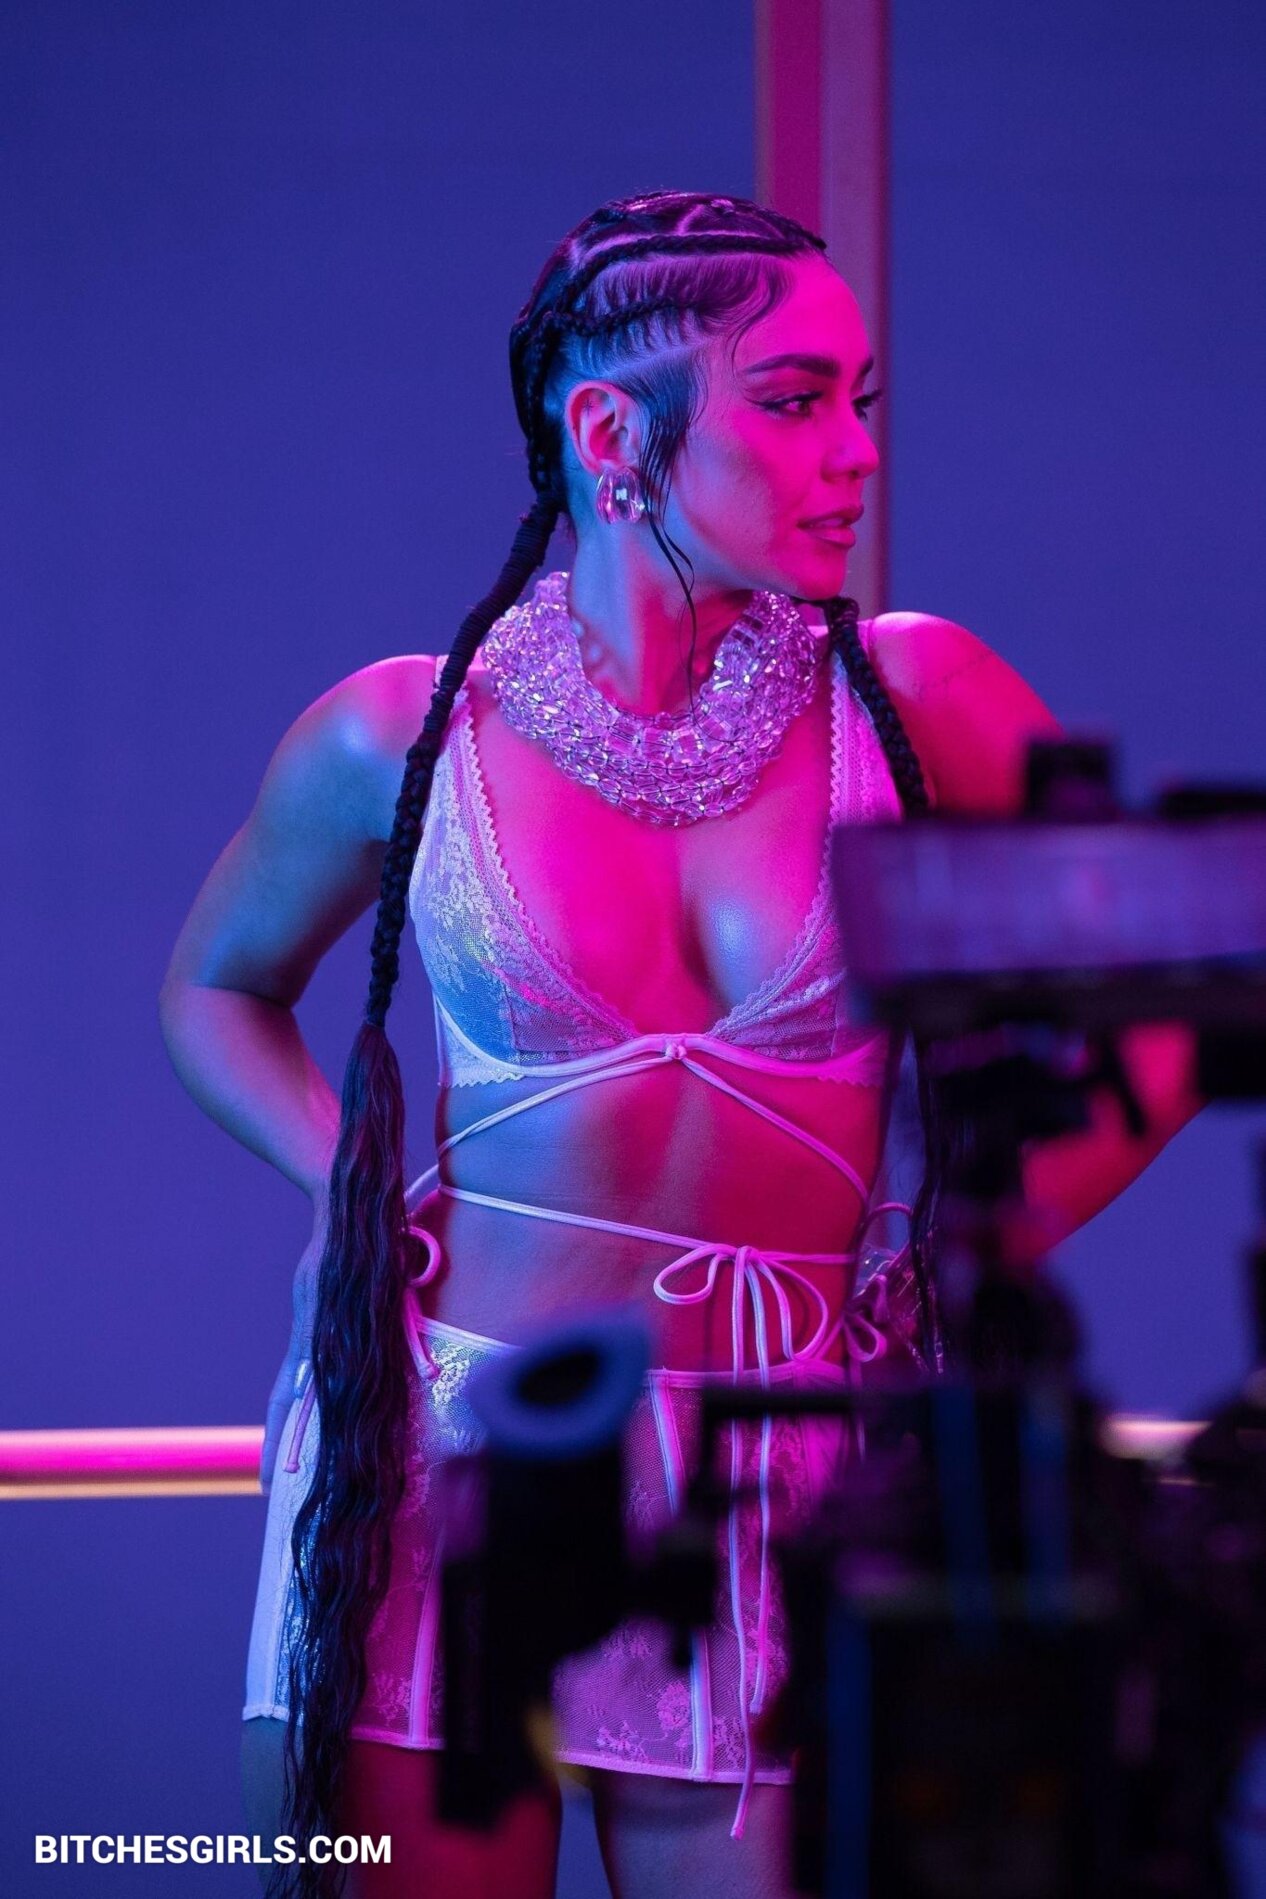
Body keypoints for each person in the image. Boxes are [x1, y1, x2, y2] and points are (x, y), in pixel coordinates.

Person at [159, 190, 1201, 1899]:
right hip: (449, 1462)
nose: (853, 452)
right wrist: (351, 1195)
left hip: (784, 1482)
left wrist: (963, 1242)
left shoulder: (909, 700)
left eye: (861, 399)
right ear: (606, 436)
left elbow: (1174, 995)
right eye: (792, 401)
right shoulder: (404, 730)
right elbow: (215, 990)